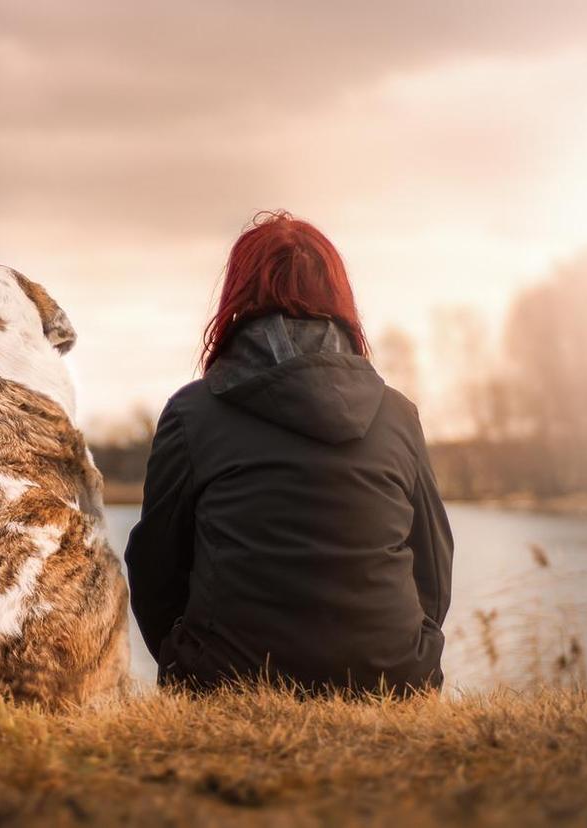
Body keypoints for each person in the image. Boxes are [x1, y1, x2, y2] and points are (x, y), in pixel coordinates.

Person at [124, 211, 454, 695]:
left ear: (238, 297)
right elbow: (434, 566)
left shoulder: (192, 413)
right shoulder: (397, 415)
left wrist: (185, 659)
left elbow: (155, 567)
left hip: (226, 678)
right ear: (339, 298)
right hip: (392, 679)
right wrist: (408, 651)